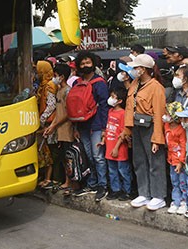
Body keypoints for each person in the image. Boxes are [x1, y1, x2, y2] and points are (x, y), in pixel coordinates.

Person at [123, 53, 168, 210]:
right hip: (136, 126)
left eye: (136, 67)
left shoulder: (156, 87)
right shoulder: (135, 83)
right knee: (139, 161)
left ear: (143, 69)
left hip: (151, 127)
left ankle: (158, 195)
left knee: (155, 162)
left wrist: (157, 138)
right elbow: (129, 107)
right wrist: (127, 130)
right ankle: (144, 193)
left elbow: (159, 114)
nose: (134, 70)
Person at [71, 52, 110, 200]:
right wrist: (75, 127)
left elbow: (104, 106)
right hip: (82, 125)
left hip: (97, 125)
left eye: (88, 63)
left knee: (98, 157)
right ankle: (92, 183)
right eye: (82, 63)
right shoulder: (76, 83)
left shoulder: (100, 83)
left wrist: (105, 128)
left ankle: (102, 185)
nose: (85, 66)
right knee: (88, 156)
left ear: (93, 63)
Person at [43, 64, 75, 190]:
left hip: (67, 128)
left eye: (55, 75)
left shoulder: (67, 91)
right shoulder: (59, 91)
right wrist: (51, 127)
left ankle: (69, 181)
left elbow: (68, 113)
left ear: (61, 77)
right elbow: (58, 112)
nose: (54, 78)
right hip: (59, 129)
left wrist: (54, 125)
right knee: (63, 156)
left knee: (68, 157)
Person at [103, 88, 133, 201]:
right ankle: (116, 190)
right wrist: (103, 140)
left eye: (113, 97)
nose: (110, 99)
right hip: (109, 147)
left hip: (119, 149)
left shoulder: (123, 114)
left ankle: (127, 191)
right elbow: (108, 128)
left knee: (123, 171)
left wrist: (116, 148)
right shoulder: (110, 111)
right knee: (112, 171)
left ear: (120, 101)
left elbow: (122, 133)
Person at [36, 60, 57, 189]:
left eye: (38, 71)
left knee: (51, 152)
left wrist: (41, 119)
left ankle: (52, 179)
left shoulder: (50, 85)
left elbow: (51, 105)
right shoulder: (43, 85)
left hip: (50, 123)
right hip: (46, 122)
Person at [164, 101, 188, 214]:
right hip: (171, 160)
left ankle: (184, 202)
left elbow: (183, 146)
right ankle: (176, 201)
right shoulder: (166, 126)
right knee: (174, 182)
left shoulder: (181, 130)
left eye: (167, 114)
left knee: (183, 182)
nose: (164, 116)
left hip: (179, 161)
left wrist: (181, 162)